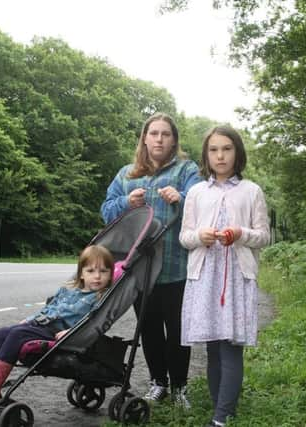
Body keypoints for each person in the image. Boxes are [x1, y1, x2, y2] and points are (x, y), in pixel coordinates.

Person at [101, 112, 201, 408]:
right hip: (140, 269)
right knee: (149, 330)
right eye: (154, 133)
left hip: (177, 267)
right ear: (145, 138)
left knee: (178, 331)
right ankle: (159, 383)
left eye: (165, 134)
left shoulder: (187, 170)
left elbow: (203, 208)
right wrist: (125, 203)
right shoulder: (127, 174)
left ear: (174, 140)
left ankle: (180, 387)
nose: (159, 138)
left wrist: (181, 199)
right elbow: (106, 211)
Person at [179, 125, 270, 427]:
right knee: (212, 347)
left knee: (231, 346)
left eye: (227, 149)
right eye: (214, 150)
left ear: (237, 152)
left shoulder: (252, 191)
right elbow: (185, 236)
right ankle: (222, 408)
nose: (220, 155)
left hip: (236, 278)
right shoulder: (195, 192)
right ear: (206, 154)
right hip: (205, 276)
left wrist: (241, 233)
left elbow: (263, 236)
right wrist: (199, 236)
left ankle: (220, 418)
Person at [0, 245, 114, 403]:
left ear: (110, 274)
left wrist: (73, 332)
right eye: (91, 271)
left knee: (17, 335)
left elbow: (93, 322)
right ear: (81, 274)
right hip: (42, 325)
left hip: (61, 334)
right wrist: (29, 320)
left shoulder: (100, 298)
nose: (97, 276)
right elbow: (48, 309)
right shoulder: (67, 291)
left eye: (103, 271)